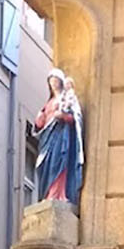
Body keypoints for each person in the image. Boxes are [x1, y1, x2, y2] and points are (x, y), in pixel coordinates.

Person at [34, 68, 85, 209]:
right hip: (47, 138)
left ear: (61, 82)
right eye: (51, 81)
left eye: (56, 81)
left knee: (59, 162)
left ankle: (59, 194)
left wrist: (62, 116)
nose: (54, 84)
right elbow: (40, 124)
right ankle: (48, 194)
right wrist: (40, 120)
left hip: (61, 136)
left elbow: (74, 118)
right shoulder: (48, 103)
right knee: (46, 164)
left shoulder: (67, 99)